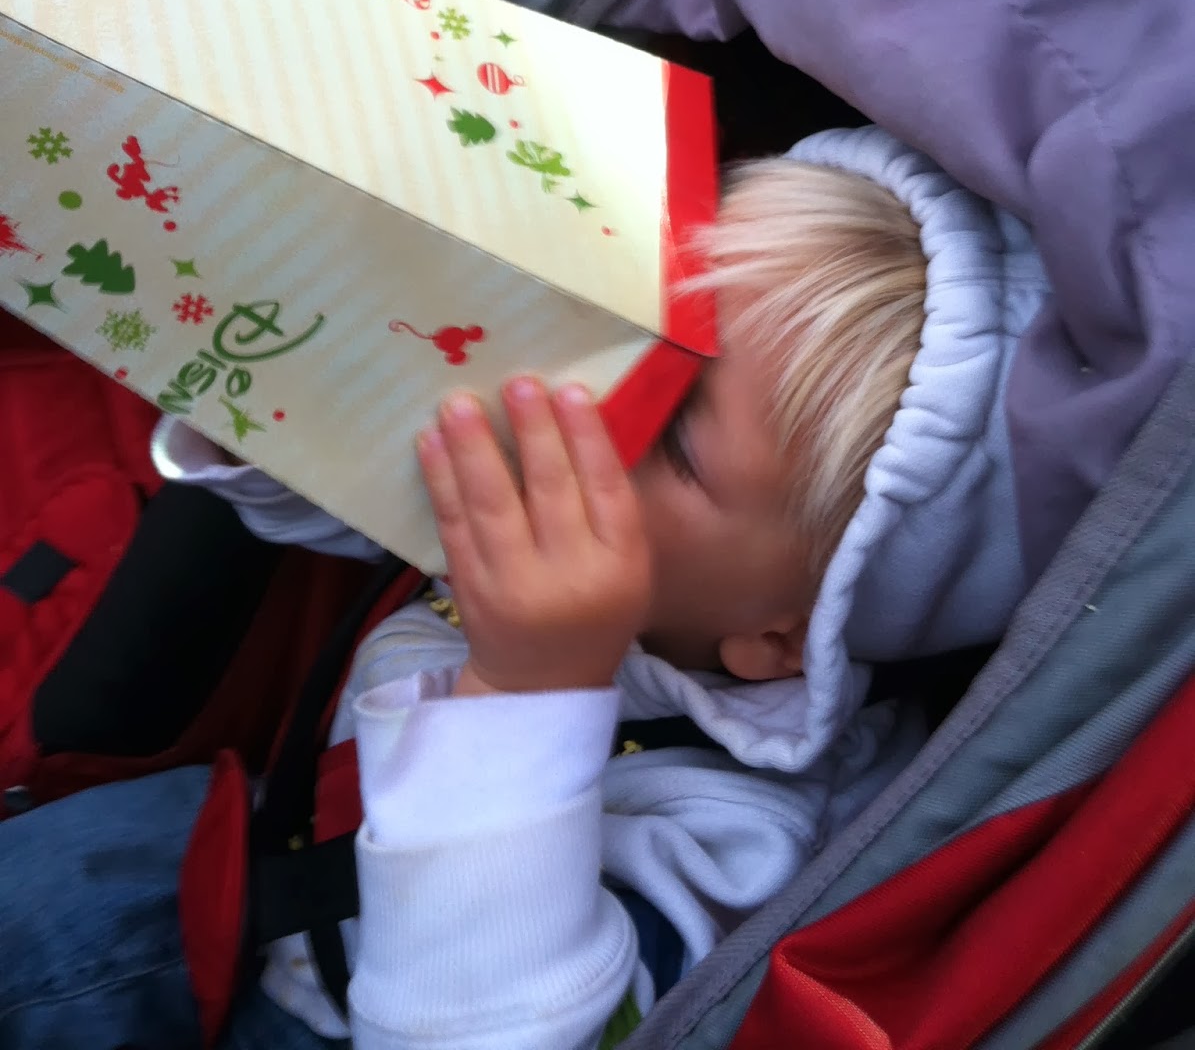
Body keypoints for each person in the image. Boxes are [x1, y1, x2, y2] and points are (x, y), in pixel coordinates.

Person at [0, 127, 1051, 1050]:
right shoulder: (587, 535)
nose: (585, 401)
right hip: (239, 851)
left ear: (783, 637)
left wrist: (531, 690)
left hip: (331, 1007)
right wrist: (279, 420)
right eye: (623, 334)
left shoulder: (741, 832)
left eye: (675, 435)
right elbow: (375, 515)